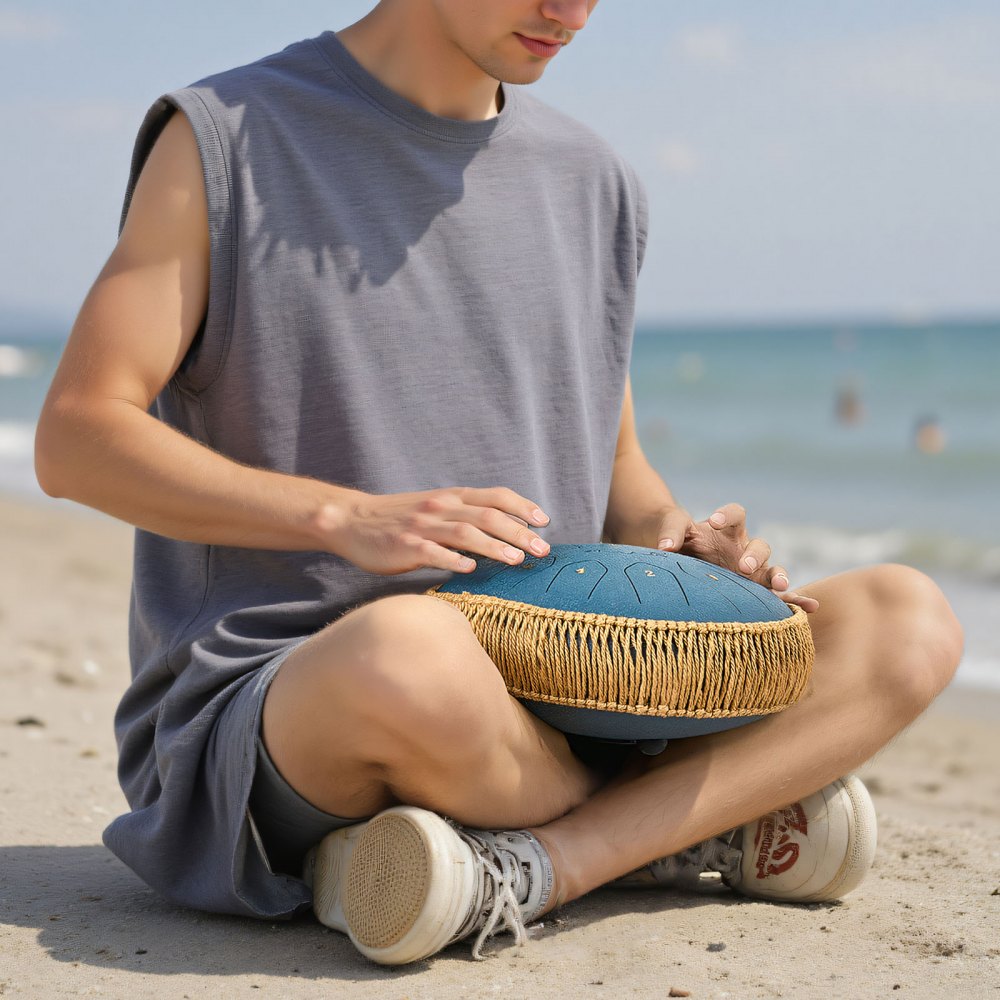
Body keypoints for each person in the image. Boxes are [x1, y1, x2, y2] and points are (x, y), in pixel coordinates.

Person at [35, 0, 962, 966]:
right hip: (304, 703)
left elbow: (616, 467)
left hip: (573, 701)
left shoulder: (594, 179)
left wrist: (686, 554)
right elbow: (78, 434)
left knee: (906, 619)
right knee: (409, 649)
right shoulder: (225, 138)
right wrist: (342, 516)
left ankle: (537, 861)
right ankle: (673, 830)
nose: (570, 11)